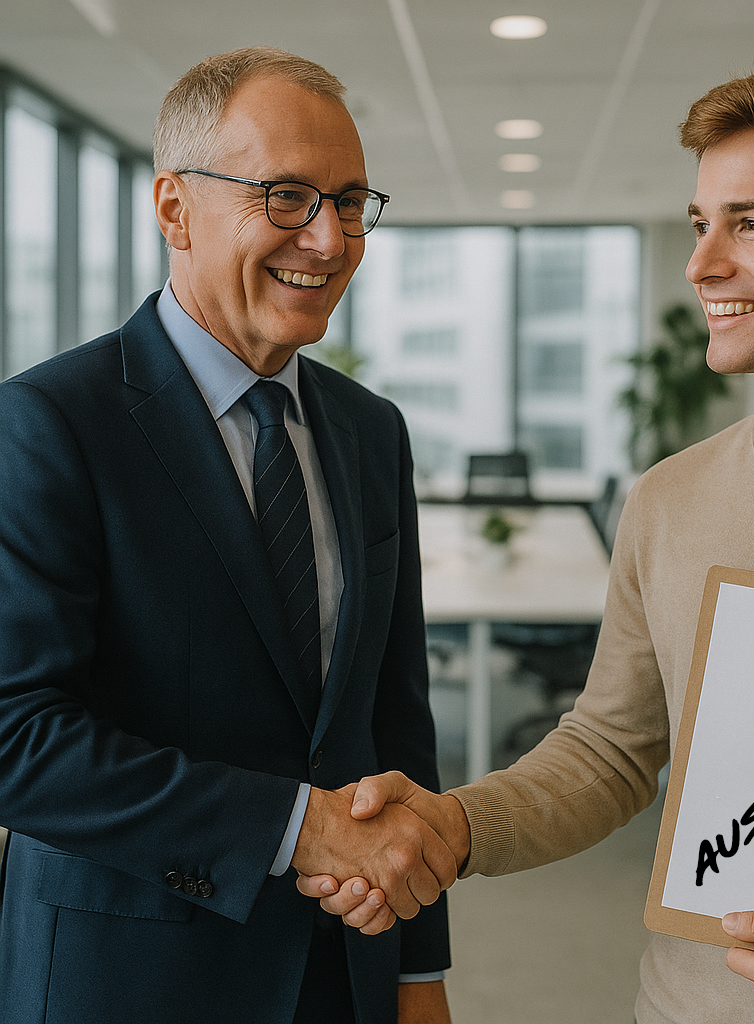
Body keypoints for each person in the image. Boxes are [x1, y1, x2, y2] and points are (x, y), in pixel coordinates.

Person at [308, 62, 754, 1023]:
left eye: (752, 224)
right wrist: (454, 823)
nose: (702, 264)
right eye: (701, 223)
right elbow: (610, 749)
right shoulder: (670, 499)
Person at [0, 47, 456, 1024]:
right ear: (174, 209)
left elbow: (392, 719)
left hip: (346, 976)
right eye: (286, 196)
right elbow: (16, 733)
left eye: (349, 200)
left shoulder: (372, 431)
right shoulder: (47, 422)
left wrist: (419, 969)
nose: (328, 239)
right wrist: (297, 829)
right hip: (128, 980)